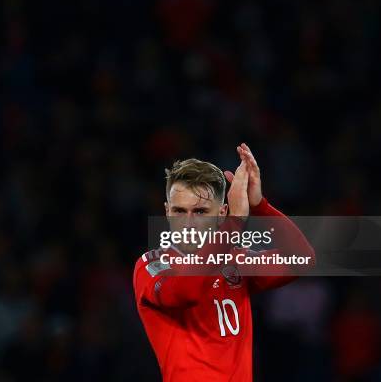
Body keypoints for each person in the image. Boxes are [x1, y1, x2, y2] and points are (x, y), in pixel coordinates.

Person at [133, 143, 315, 381]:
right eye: (179, 211)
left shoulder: (235, 259)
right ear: (167, 211)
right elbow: (183, 291)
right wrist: (234, 224)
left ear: (222, 212)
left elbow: (302, 258)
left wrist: (260, 206)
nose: (187, 223)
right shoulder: (151, 265)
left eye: (200, 212)